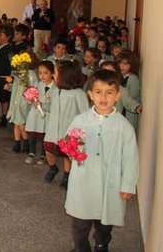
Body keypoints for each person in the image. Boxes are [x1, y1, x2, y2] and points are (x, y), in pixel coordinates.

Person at [65, 69, 139, 252]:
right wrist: (73, 150)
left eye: (109, 92)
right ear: (90, 94)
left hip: (110, 182)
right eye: (98, 92)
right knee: (80, 223)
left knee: (105, 223)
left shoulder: (124, 127)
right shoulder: (80, 121)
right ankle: (81, 248)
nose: (103, 97)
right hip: (84, 180)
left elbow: (130, 158)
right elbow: (69, 145)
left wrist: (128, 185)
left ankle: (101, 244)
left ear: (118, 96)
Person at [43, 60, 89, 189]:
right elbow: (52, 107)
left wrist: (80, 131)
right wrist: (41, 105)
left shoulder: (78, 93)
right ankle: (53, 167)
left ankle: (67, 176)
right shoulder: (56, 90)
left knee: (67, 155)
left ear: (65, 75)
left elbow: (85, 113)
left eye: (55, 73)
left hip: (68, 130)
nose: (53, 75)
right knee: (48, 150)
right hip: (53, 129)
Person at [7, 50, 39, 153]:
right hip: (16, 100)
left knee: (22, 124)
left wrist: (29, 92)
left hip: (25, 102)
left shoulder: (31, 74)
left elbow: (34, 88)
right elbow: (15, 87)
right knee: (16, 124)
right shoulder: (19, 73)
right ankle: (17, 143)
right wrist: (9, 86)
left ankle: (26, 142)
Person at [25, 60, 54, 165]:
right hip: (36, 113)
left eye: (46, 73)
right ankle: (32, 152)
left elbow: (54, 104)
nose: (42, 76)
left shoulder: (56, 87)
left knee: (44, 135)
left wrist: (43, 105)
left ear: (52, 73)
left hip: (47, 115)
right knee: (33, 133)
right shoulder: (38, 84)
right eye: (40, 73)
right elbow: (33, 96)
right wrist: (30, 98)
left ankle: (43, 155)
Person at [118, 51, 141, 132]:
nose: (121, 66)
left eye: (125, 64)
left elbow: (132, 95)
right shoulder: (120, 77)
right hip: (122, 111)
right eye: (120, 63)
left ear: (132, 65)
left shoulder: (133, 78)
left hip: (129, 112)